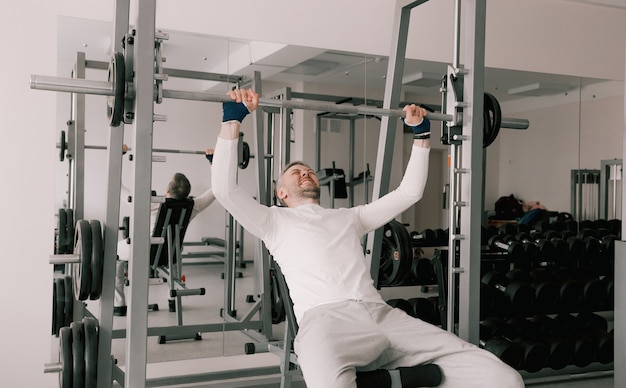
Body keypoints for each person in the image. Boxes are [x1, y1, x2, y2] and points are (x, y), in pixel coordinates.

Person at [211, 88, 524, 388]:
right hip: (326, 322)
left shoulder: (349, 217)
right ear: (281, 193)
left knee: (503, 378)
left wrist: (421, 134)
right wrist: (233, 121)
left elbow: (409, 193)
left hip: (383, 315)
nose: (305, 172)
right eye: (296, 172)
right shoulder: (273, 221)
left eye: (308, 169)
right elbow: (226, 191)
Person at [114, 145, 216, 316]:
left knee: (113, 253)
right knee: (174, 250)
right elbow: (216, 190)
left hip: (142, 252)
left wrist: (119, 154)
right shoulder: (193, 206)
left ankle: (119, 305)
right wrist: (213, 162)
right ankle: (174, 301)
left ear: (167, 190)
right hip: (170, 254)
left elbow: (117, 187)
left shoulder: (151, 203)